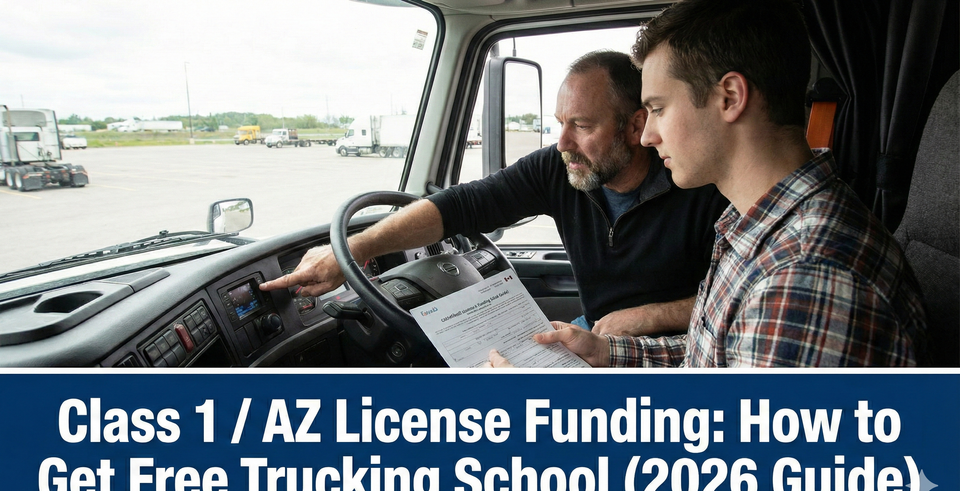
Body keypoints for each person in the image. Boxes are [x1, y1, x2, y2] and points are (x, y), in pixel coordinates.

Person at [492, 0, 929, 367]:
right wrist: (607, 352)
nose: (647, 136)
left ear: (730, 98)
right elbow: (716, 355)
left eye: (658, 109)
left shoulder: (804, 275)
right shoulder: (753, 224)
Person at [260, 50, 727, 337]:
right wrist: (355, 249)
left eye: (581, 126)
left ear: (635, 126)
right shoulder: (560, 167)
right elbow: (463, 205)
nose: (562, 143)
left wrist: (650, 316)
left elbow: (738, 297)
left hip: (678, 347)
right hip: (593, 337)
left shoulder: (701, 184)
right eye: (559, 124)